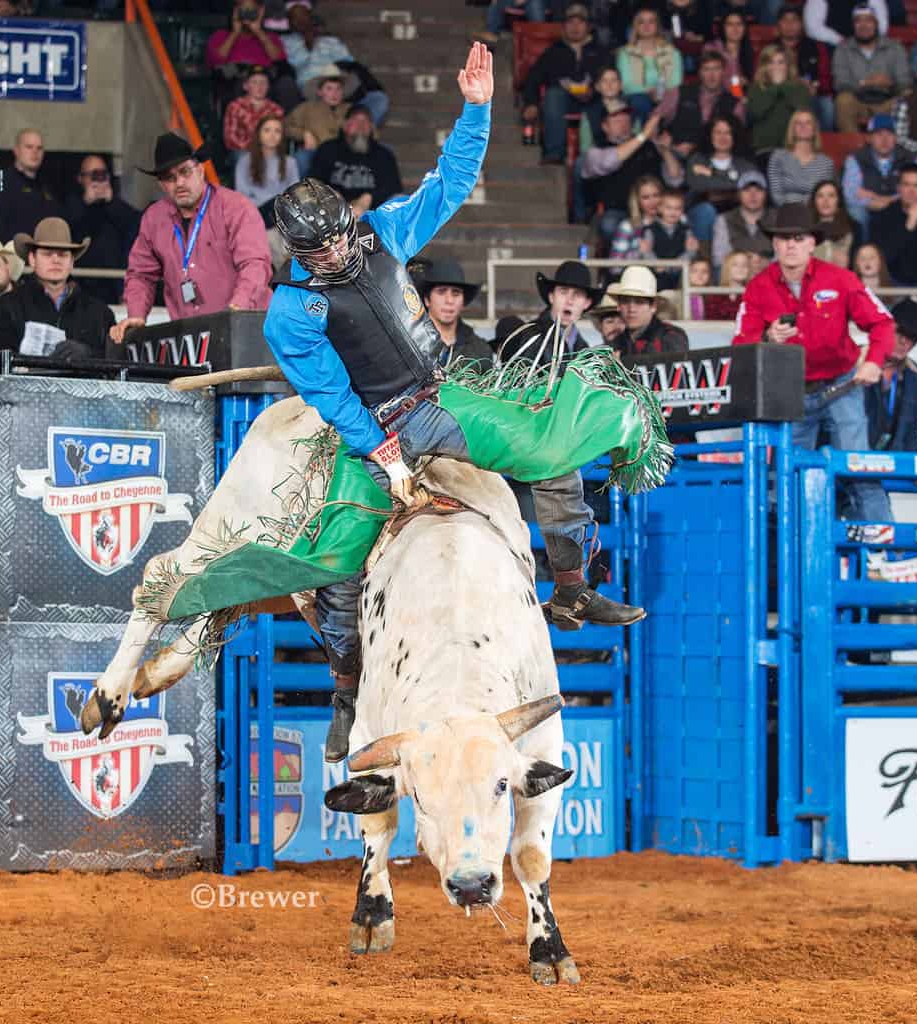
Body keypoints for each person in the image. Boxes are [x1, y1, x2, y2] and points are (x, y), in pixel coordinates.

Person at [262, 45, 644, 760]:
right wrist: (375, 446)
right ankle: (348, 685)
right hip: (375, 426)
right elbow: (328, 390)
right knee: (338, 562)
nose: (344, 254)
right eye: (329, 250)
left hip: (439, 394)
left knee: (547, 449)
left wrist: (476, 108)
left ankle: (569, 584)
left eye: (346, 238)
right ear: (302, 254)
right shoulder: (291, 312)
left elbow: (450, 182)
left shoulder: (381, 237)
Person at [733, 202, 895, 522]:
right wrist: (768, 338)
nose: (790, 244)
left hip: (842, 384)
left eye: (798, 237)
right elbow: (740, 345)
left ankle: (884, 553)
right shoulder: (758, 287)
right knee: (786, 480)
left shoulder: (841, 279)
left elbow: (883, 323)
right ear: (774, 244)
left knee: (858, 468)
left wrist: (874, 361)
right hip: (790, 393)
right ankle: (786, 564)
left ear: (812, 243)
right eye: (783, 238)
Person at [111, 133, 271, 344]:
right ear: (161, 185)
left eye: (185, 172)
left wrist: (238, 308)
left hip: (247, 331)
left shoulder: (236, 208)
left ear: (201, 170)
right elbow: (140, 274)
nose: (179, 182)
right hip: (190, 338)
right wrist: (137, 314)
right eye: (169, 178)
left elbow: (255, 264)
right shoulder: (153, 218)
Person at [0, 218, 114, 358]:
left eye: (63, 254)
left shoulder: (100, 313)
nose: (56, 260)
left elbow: (114, 362)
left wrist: (88, 354)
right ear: (32, 259)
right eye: (47, 253)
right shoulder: (4, 308)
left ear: (71, 262)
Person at [581, 107, 684, 243]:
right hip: (619, 210)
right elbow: (609, 161)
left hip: (656, 208)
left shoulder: (650, 146)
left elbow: (676, 180)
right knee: (609, 224)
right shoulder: (597, 150)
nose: (624, 124)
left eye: (627, 120)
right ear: (605, 126)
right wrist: (643, 136)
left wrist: (665, 151)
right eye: (617, 121)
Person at [522, 3, 607, 164]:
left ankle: (599, 152)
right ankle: (554, 153)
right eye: (571, 23)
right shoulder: (554, 51)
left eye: (580, 23)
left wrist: (593, 91)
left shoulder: (600, 51)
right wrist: (531, 103)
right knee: (553, 95)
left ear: (588, 27)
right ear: (564, 27)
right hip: (564, 100)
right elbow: (533, 78)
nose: (575, 27)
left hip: (593, 99)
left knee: (603, 100)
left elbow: (610, 77)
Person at [282, 1, 388, 124]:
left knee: (379, 99)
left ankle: (358, 133)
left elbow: (350, 64)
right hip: (310, 92)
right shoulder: (285, 42)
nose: (300, 20)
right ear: (289, 22)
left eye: (303, 15)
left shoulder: (331, 41)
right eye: (295, 17)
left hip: (337, 86)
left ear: (310, 17)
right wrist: (307, 40)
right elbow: (287, 63)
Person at [64, 154, 140, 305]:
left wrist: (111, 202)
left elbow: (134, 227)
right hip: (81, 284)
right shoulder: (71, 206)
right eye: (93, 175)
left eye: (102, 174)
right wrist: (87, 203)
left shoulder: (119, 207)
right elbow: (69, 233)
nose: (98, 180)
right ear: (81, 179)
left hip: (113, 287)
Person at [310, 104, 403, 213]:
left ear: (372, 128)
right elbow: (314, 180)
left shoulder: (384, 154)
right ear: (344, 125)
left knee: (400, 199)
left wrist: (369, 198)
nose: (361, 125)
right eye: (356, 121)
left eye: (366, 121)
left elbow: (394, 186)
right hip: (332, 210)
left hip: (373, 212)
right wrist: (332, 195)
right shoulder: (328, 149)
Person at [831, 5, 910, 133]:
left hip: (887, 102)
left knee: (907, 96)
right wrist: (865, 83)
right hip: (858, 102)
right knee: (843, 100)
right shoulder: (843, 49)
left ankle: (899, 146)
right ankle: (853, 147)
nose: (863, 25)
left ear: (876, 24)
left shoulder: (895, 47)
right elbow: (840, 83)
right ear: (853, 25)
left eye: (868, 20)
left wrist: (890, 83)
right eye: (858, 21)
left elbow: (905, 81)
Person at [864, 298, 917, 451]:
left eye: (911, 338)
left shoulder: (915, 377)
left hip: (894, 462)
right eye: (899, 333)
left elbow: (912, 434)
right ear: (885, 331)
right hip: (853, 459)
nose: (904, 342)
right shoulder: (857, 364)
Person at [684, 113, 758, 243]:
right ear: (710, 135)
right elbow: (699, 186)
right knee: (706, 211)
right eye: (718, 132)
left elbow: (749, 191)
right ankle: (705, 258)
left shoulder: (746, 165)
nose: (722, 137)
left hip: (736, 212)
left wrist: (712, 175)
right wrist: (732, 186)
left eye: (728, 133)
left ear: (735, 136)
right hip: (701, 212)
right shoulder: (697, 160)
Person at [656, 51, 744, 157]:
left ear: (724, 72)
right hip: (675, 153)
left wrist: (695, 148)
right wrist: (668, 146)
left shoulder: (734, 103)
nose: (712, 75)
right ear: (699, 72)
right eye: (706, 69)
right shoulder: (679, 93)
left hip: (713, 158)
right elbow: (654, 123)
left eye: (716, 69)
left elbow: (737, 140)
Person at [416, 259, 495, 370]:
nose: (449, 300)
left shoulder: (480, 350)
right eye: (441, 292)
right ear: (427, 300)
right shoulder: (413, 344)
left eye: (456, 293)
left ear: (463, 301)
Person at [0, 128, 64, 243]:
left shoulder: (49, 186)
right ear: (16, 150)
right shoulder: (2, 182)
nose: (35, 152)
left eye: (39, 148)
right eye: (29, 147)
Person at [616, 6, 684, 123]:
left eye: (651, 21)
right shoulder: (625, 53)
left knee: (676, 99)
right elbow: (626, 85)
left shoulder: (672, 52)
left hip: (666, 97)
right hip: (637, 98)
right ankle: (649, 135)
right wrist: (649, 92)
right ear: (635, 27)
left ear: (657, 26)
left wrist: (659, 93)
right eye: (641, 22)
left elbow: (676, 82)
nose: (646, 26)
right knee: (640, 101)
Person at [608, 265, 688, 358]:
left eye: (639, 302)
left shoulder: (672, 336)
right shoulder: (616, 342)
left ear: (653, 306)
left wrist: (623, 359)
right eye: (625, 302)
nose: (631, 309)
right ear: (619, 306)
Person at [774, 4, 834, 130]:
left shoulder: (816, 47)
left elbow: (827, 78)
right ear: (778, 24)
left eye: (794, 20)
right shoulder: (770, 48)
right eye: (785, 20)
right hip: (777, 94)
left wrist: (814, 86)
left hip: (812, 94)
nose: (789, 25)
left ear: (802, 24)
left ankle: (824, 143)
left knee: (827, 104)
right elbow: (760, 77)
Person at [747, 46, 811, 160]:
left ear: (788, 66)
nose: (776, 67)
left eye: (781, 62)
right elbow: (756, 112)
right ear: (764, 66)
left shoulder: (800, 88)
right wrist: (775, 88)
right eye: (771, 62)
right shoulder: (756, 88)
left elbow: (803, 111)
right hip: (764, 150)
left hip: (794, 150)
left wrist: (783, 86)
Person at [841, 113, 902, 232]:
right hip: (867, 209)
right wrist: (872, 203)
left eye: (889, 134)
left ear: (896, 138)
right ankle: (864, 250)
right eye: (879, 134)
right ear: (869, 138)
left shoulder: (909, 158)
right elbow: (850, 194)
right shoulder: (855, 159)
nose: (884, 140)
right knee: (856, 212)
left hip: (900, 208)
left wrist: (881, 199)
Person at [285, 68, 350, 176]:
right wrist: (304, 134)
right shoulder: (307, 108)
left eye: (338, 89)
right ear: (320, 92)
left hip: (344, 153)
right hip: (315, 151)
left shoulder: (350, 109)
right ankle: (299, 190)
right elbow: (285, 126)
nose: (335, 93)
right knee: (301, 157)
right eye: (329, 89)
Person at [235, 114, 300, 219]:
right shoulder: (245, 161)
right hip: (254, 212)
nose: (272, 135)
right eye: (267, 130)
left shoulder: (290, 162)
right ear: (259, 134)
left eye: (277, 131)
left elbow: (294, 193)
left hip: (281, 215)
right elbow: (241, 194)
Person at [767, 109, 835, 208]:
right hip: (783, 214)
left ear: (814, 129)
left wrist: (795, 200)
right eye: (798, 123)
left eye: (808, 123)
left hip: (815, 214)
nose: (803, 126)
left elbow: (825, 197)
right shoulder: (778, 157)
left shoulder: (826, 163)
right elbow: (776, 195)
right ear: (792, 129)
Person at [711, 170, 773, 270]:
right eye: (747, 190)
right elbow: (718, 259)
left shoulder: (778, 218)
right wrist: (744, 263)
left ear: (766, 194)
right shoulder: (724, 219)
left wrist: (766, 263)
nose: (753, 195)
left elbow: (785, 256)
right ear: (738, 194)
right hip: (736, 278)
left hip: (770, 274)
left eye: (758, 190)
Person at [640, 186, 698, 288]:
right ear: (660, 209)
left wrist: (676, 265)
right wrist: (657, 265)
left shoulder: (686, 230)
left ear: (682, 210)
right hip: (657, 275)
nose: (673, 212)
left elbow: (690, 251)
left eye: (677, 208)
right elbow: (646, 251)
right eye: (668, 208)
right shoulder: (650, 229)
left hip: (679, 274)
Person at [206, 0, 286, 73]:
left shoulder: (270, 37)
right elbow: (216, 61)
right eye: (243, 10)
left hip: (262, 81)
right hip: (232, 82)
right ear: (235, 11)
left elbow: (279, 60)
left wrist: (259, 32)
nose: (247, 14)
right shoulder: (220, 35)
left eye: (251, 10)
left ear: (260, 11)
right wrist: (235, 33)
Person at [223, 66, 285, 155]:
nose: (259, 86)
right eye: (254, 82)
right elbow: (230, 138)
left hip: (268, 150)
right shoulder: (235, 106)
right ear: (245, 86)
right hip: (243, 150)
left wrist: (265, 148)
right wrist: (252, 149)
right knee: (243, 157)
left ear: (268, 86)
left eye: (263, 82)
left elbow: (280, 136)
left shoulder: (276, 109)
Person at [610, 174, 666, 259]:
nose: (652, 202)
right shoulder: (628, 226)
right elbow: (615, 267)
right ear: (637, 201)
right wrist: (638, 252)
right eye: (646, 197)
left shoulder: (677, 222)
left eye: (656, 195)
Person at [812, 179, 861, 267]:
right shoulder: (804, 228)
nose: (825, 200)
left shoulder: (854, 227)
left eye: (831, 196)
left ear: (839, 201)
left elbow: (856, 263)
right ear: (814, 201)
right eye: (820, 196)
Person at [578, 66, 626, 155]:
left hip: (624, 154)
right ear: (597, 87)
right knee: (580, 162)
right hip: (598, 156)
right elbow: (585, 147)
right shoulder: (590, 112)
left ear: (621, 85)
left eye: (614, 80)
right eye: (604, 81)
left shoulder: (629, 109)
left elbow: (635, 139)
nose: (609, 85)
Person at [701, 12, 753, 94]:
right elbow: (710, 80)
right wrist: (736, 85)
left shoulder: (748, 50)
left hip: (740, 98)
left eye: (739, 24)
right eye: (730, 24)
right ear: (723, 28)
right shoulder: (712, 48)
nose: (735, 28)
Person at [804, 0, 888, 48]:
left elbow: (882, 26)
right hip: (834, 45)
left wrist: (868, 41)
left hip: (869, 42)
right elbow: (812, 28)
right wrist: (840, 41)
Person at [707, 250, 751, 320]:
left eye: (744, 265)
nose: (740, 268)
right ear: (727, 267)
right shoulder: (715, 295)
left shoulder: (753, 295)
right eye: (735, 264)